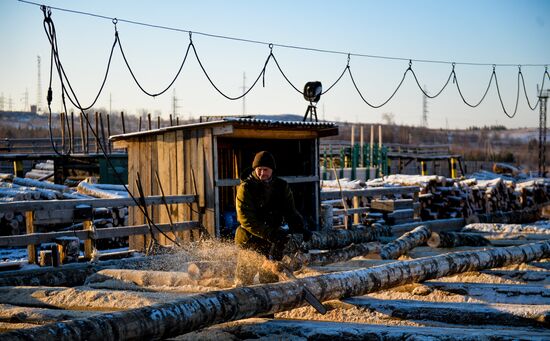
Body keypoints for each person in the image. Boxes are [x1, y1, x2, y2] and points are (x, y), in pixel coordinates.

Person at [234, 151, 312, 286]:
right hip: (250, 239)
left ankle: (268, 303)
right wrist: (269, 233)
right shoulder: (246, 188)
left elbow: (290, 211)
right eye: (259, 169)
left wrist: (300, 227)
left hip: (272, 242)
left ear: (272, 170)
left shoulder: (281, 186)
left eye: (266, 170)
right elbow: (246, 219)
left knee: (270, 280)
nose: (262, 173)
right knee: (244, 281)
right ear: (254, 169)